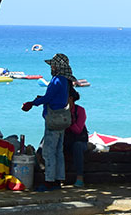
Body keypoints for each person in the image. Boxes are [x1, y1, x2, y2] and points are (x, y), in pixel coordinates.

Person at [22, 52, 76, 191]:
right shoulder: (65, 80)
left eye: (53, 65)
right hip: (62, 118)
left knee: (49, 151)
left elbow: (48, 98)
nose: (51, 67)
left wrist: (32, 103)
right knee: (59, 151)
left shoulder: (57, 79)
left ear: (57, 66)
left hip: (53, 118)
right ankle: (59, 179)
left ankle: (49, 181)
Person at [64, 88, 88, 188]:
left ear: (70, 98)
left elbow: (78, 130)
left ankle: (80, 177)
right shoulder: (60, 110)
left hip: (79, 140)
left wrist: (69, 119)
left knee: (77, 146)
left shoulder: (80, 111)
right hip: (66, 139)